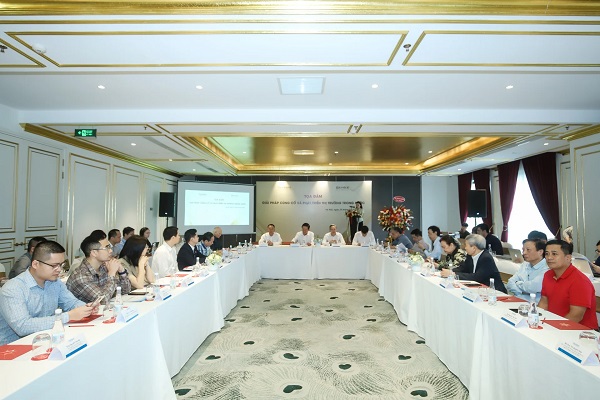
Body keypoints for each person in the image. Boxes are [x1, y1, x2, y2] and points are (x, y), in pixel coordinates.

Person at [0, 241, 93, 345]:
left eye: (61, 265)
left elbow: (71, 303)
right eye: (54, 265)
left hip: (45, 340)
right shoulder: (13, 288)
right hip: (13, 347)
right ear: (35, 264)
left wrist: (87, 308)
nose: (59, 270)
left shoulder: (55, 282)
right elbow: (22, 326)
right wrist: (68, 316)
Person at [538, 239, 598, 329]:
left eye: (554, 254)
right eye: (547, 254)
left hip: (579, 331)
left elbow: (576, 316)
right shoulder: (548, 275)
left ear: (568, 257)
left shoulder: (580, 281)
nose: (549, 257)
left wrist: (553, 329)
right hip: (552, 325)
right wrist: (536, 320)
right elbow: (544, 303)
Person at [67, 235, 131, 303]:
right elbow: (103, 300)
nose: (110, 251)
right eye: (107, 247)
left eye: (109, 247)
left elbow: (125, 292)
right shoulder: (81, 276)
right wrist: (112, 273)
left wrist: (122, 272)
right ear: (94, 253)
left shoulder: (104, 266)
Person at [441, 234, 507, 293]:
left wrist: (453, 274)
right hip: (479, 288)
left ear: (474, 248)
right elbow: (463, 268)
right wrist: (450, 271)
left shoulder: (486, 258)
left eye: (466, 245)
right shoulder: (470, 255)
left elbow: (476, 277)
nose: (465, 248)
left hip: (494, 291)